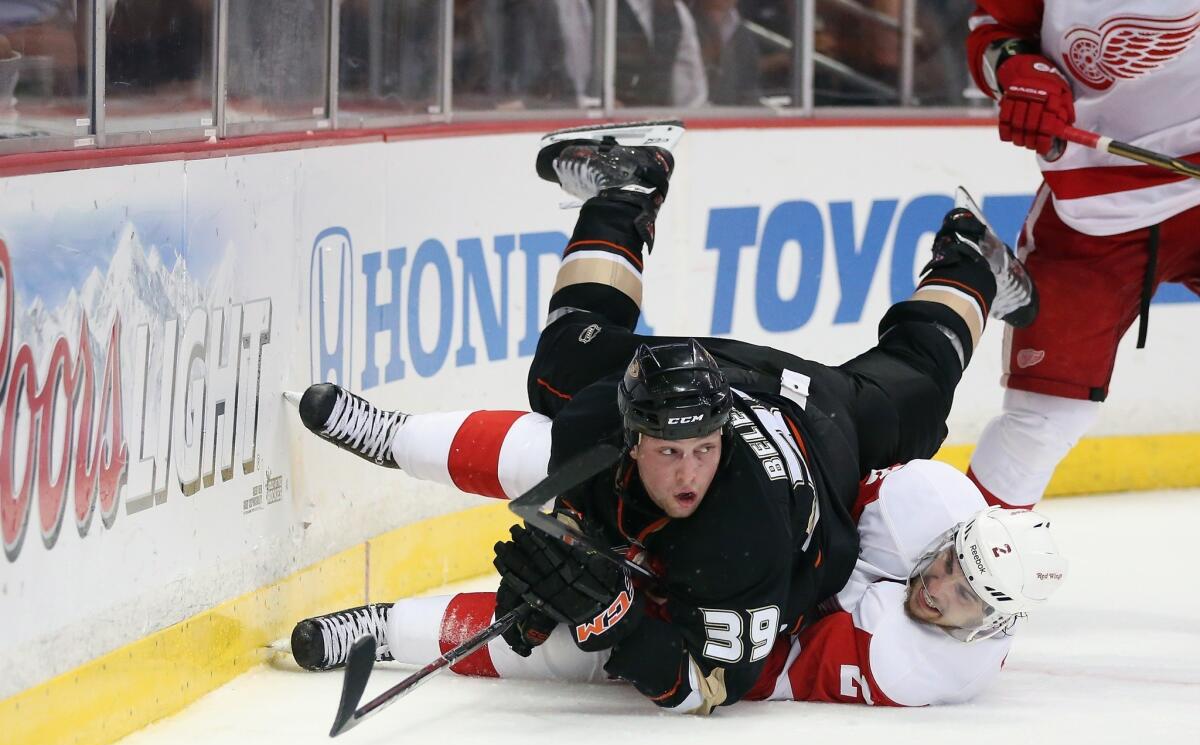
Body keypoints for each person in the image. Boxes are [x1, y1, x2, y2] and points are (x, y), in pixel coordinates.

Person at [288, 123, 1037, 714]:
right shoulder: (608, 427)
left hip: (817, 422)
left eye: (701, 451)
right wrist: (579, 537)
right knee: (559, 375)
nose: (686, 473)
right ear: (634, 433)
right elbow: (540, 456)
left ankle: (970, 261)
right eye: (668, 450)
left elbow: (708, 687)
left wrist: (618, 623)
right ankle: (627, 189)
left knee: (910, 395)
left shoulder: (745, 544)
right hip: (727, 379)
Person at [294, 459, 1067, 709]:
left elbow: (768, 667)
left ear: (989, 623)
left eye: (962, 595)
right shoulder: (926, 505)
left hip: (754, 635)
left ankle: (379, 631)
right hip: (757, 543)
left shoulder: (928, 668)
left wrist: (635, 618)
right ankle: (398, 439)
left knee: (584, 648)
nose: (938, 585)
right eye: (949, 563)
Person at [963, 1, 1200, 509]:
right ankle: (949, 578)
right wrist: (1016, 66)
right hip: (1095, 200)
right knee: (1043, 418)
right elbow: (995, 29)